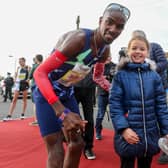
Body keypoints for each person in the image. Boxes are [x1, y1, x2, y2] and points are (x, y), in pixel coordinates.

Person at [33, 3, 130, 168]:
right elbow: (39, 73)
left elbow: (98, 76)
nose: (113, 29)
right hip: (47, 95)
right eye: (110, 22)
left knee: (78, 143)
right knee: (56, 147)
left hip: (67, 93)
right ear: (101, 21)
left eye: (119, 27)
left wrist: (115, 91)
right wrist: (61, 112)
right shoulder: (78, 39)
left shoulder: (104, 50)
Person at [109, 35, 168, 168]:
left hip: (150, 133)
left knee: (145, 164)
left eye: (142, 49)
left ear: (147, 52)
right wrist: (123, 129)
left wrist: (165, 130)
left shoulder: (154, 77)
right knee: (127, 164)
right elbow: (115, 105)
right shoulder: (120, 75)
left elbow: (161, 106)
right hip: (129, 133)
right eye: (134, 48)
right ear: (128, 51)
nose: (138, 51)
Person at [132, 30, 168, 164]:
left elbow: (164, 63)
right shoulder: (133, 53)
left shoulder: (155, 46)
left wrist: (149, 69)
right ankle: (148, 145)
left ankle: (166, 150)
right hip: (142, 92)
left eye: (139, 38)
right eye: (134, 39)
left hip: (158, 88)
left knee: (162, 117)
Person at [74, 68, 96, 160]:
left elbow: (97, 71)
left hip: (89, 88)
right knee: (74, 119)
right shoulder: (72, 54)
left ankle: (88, 147)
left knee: (89, 120)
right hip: (74, 88)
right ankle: (74, 142)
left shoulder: (93, 55)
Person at [95, 55, 116, 140]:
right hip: (102, 94)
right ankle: (98, 132)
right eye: (106, 56)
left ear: (111, 57)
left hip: (113, 94)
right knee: (100, 114)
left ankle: (119, 133)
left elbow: (117, 78)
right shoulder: (99, 65)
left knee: (116, 114)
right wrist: (105, 78)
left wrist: (107, 77)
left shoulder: (115, 66)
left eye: (109, 56)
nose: (108, 58)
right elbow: (96, 78)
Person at [29, 54, 43, 126]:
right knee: (42, 103)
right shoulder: (44, 65)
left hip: (35, 86)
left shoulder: (34, 66)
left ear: (36, 59)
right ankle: (43, 119)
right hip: (43, 86)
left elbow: (30, 76)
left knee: (35, 103)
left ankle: (37, 120)